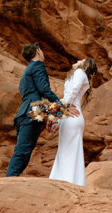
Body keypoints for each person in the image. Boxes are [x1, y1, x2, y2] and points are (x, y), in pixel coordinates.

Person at [6, 43, 79, 177]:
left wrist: (52, 117)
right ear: (38, 52)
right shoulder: (38, 66)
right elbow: (44, 90)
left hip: (26, 112)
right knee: (23, 151)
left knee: (25, 150)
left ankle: (11, 178)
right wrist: (62, 107)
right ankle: (8, 180)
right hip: (33, 111)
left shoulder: (27, 71)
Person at [48, 58, 97, 186]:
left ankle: (69, 182)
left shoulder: (80, 73)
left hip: (72, 116)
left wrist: (58, 113)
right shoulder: (76, 74)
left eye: (82, 60)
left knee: (70, 151)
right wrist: (58, 120)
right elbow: (67, 96)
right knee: (65, 150)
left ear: (85, 65)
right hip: (68, 115)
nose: (78, 60)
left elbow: (73, 92)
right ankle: (62, 180)